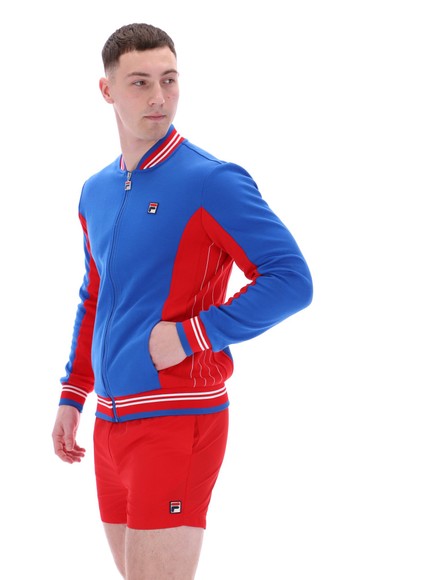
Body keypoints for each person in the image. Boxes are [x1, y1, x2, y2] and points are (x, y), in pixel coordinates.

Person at [52, 22, 313, 579]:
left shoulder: (211, 181)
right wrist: (74, 393)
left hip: (178, 417)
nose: (159, 96)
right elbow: (95, 297)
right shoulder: (96, 190)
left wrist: (194, 334)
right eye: (141, 82)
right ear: (107, 90)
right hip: (110, 423)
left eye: (169, 80)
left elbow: (291, 279)